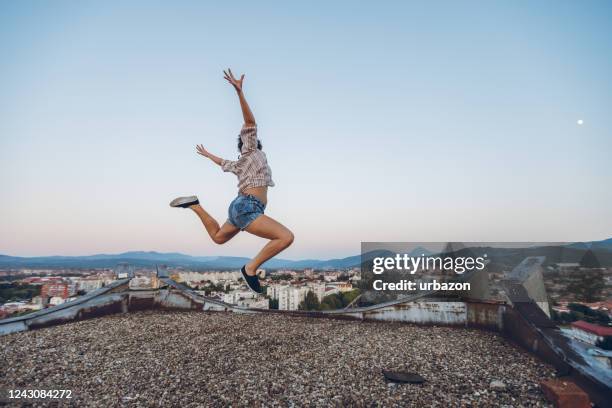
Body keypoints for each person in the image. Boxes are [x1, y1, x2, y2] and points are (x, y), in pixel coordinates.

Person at [170, 69, 294, 293]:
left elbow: (223, 163)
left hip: (239, 206)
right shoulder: (252, 150)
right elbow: (250, 121)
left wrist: (209, 155)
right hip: (248, 207)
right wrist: (240, 92)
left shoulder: (239, 164)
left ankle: (195, 205)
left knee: (218, 238)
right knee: (285, 237)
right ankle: (250, 269)